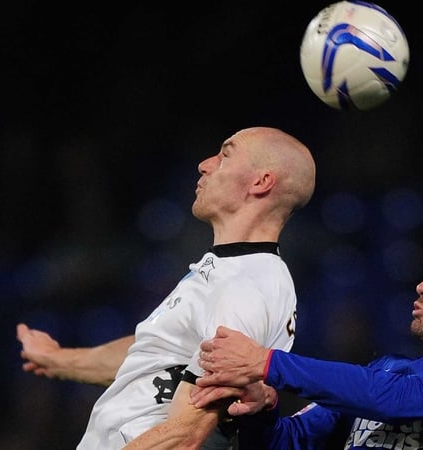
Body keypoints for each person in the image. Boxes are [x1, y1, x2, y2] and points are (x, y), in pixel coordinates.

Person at [16, 126, 317, 449]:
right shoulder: (230, 271)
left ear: (261, 182)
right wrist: (57, 359)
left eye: (225, 155)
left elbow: (185, 435)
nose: (205, 164)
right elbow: (155, 353)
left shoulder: (247, 285)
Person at [192, 242, 423, 449]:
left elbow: (401, 399)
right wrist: (260, 411)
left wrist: (269, 363)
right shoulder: (387, 371)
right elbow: (288, 442)